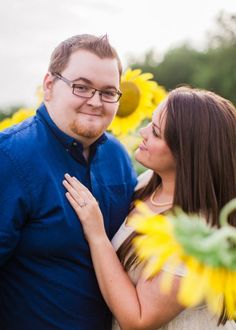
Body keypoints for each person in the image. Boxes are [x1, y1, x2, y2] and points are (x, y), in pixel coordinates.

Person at [63, 86, 236, 330]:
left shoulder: (194, 237)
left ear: (186, 154)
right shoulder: (149, 183)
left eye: (155, 132)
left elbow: (138, 320)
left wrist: (97, 234)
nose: (143, 132)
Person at [0, 34, 137, 330]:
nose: (96, 102)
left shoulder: (119, 157)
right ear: (49, 86)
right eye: (82, 87)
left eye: (108, 92)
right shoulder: (9, 157)